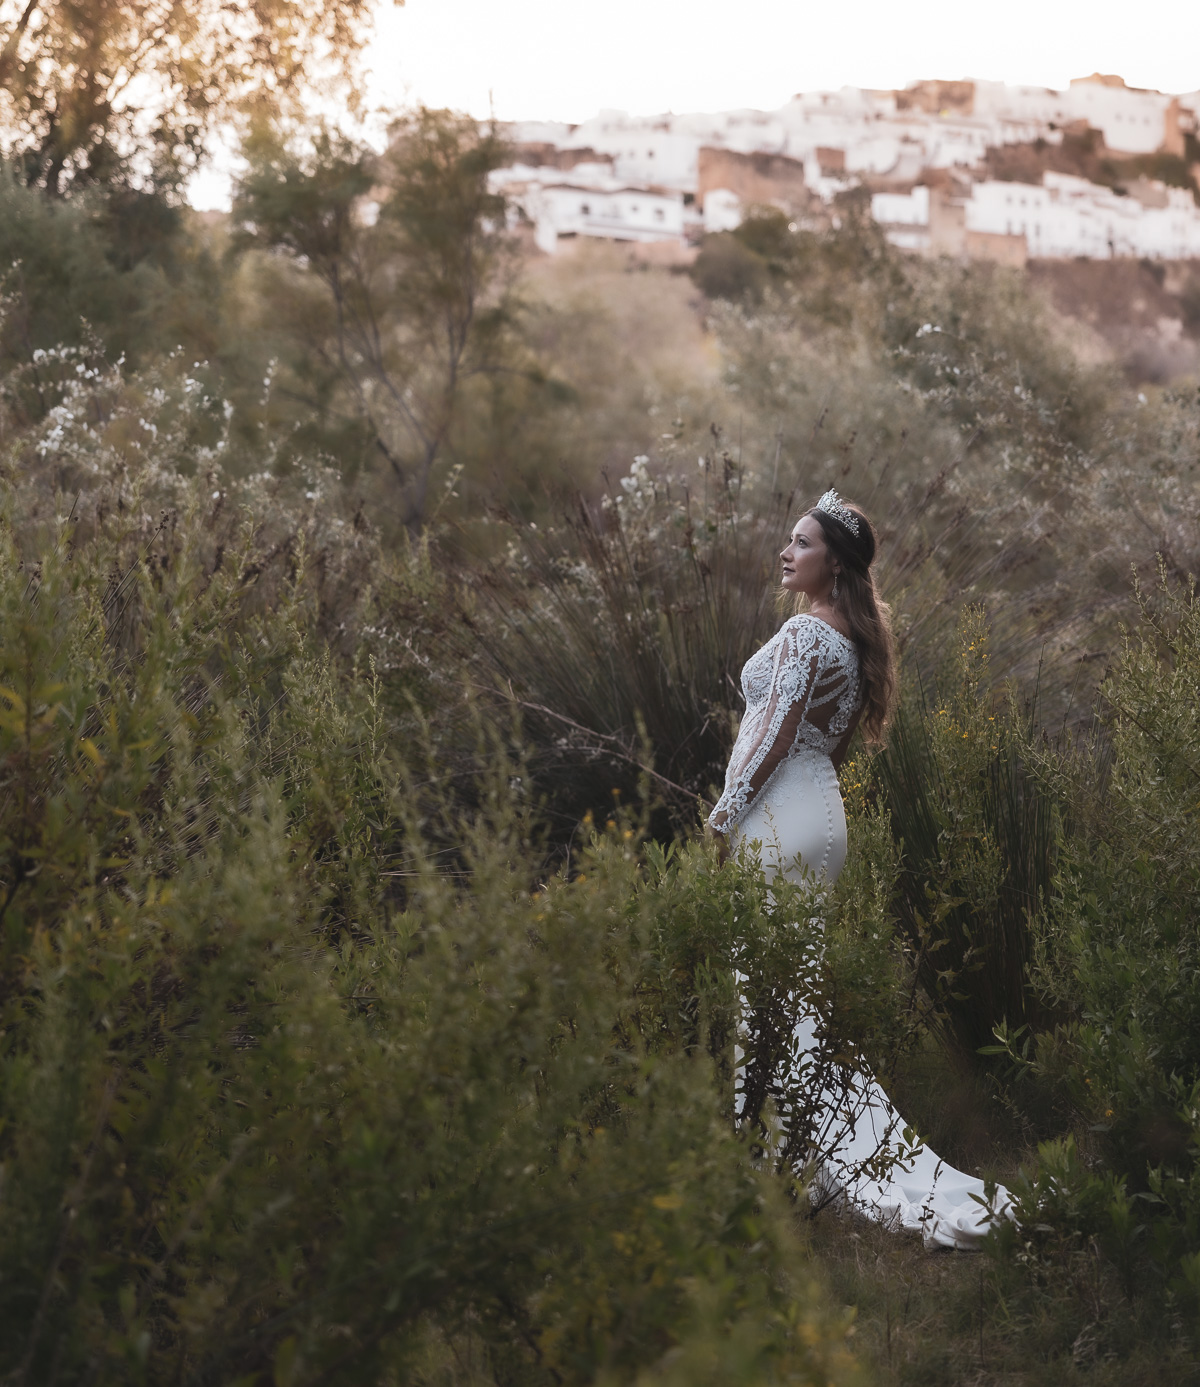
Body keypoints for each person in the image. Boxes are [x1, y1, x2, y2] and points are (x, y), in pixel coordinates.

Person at [709, 488, 1012, 1251]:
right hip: (820, 811)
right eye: (788, 539)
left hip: (780, 812)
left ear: (833, 562)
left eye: (801, 543)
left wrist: (722, 817)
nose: (787, 552)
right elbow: (825, 744)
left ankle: (769, 1155)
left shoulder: (808, 634)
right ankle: (791, 1146)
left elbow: (772, 733)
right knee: (794, 983)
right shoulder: (851, 640)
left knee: (766, 980)